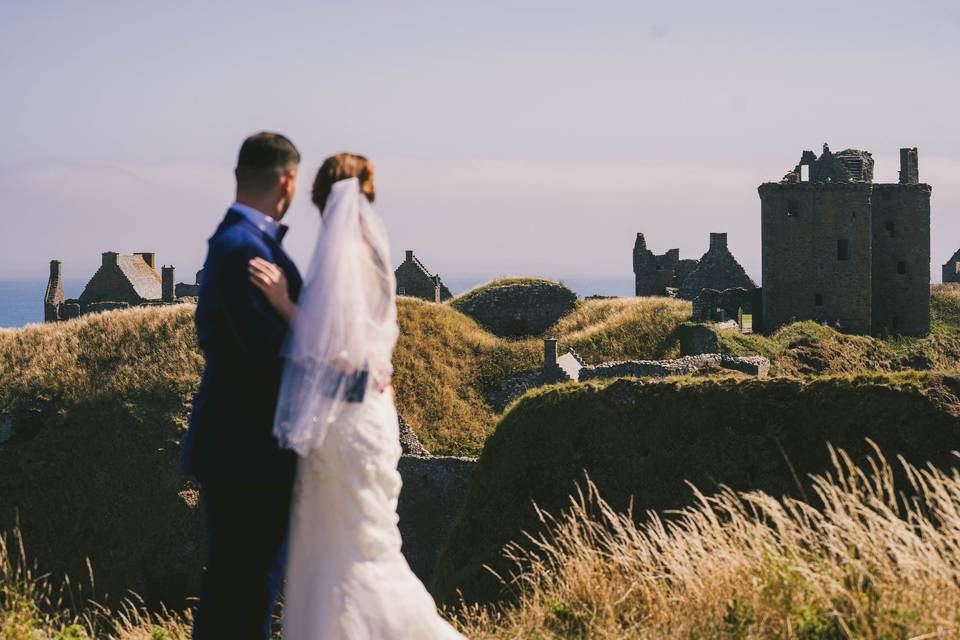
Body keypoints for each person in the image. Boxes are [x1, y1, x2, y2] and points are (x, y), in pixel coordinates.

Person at [249, 153, 465, 639]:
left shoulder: (341, 255)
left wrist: (285, 304)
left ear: (323, 200)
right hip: (375, 412)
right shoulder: (378, 257)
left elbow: (336, 348)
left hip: (344, 422)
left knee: (336, 558)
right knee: (370, 548)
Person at [181, 132, 303, 639]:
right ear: (289, 182)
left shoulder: (241, 243)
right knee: (243, 596)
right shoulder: (241, 251)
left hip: (244, 449)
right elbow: (270, 355)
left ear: (238, 176)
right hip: (247, 452)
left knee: (239, 589)